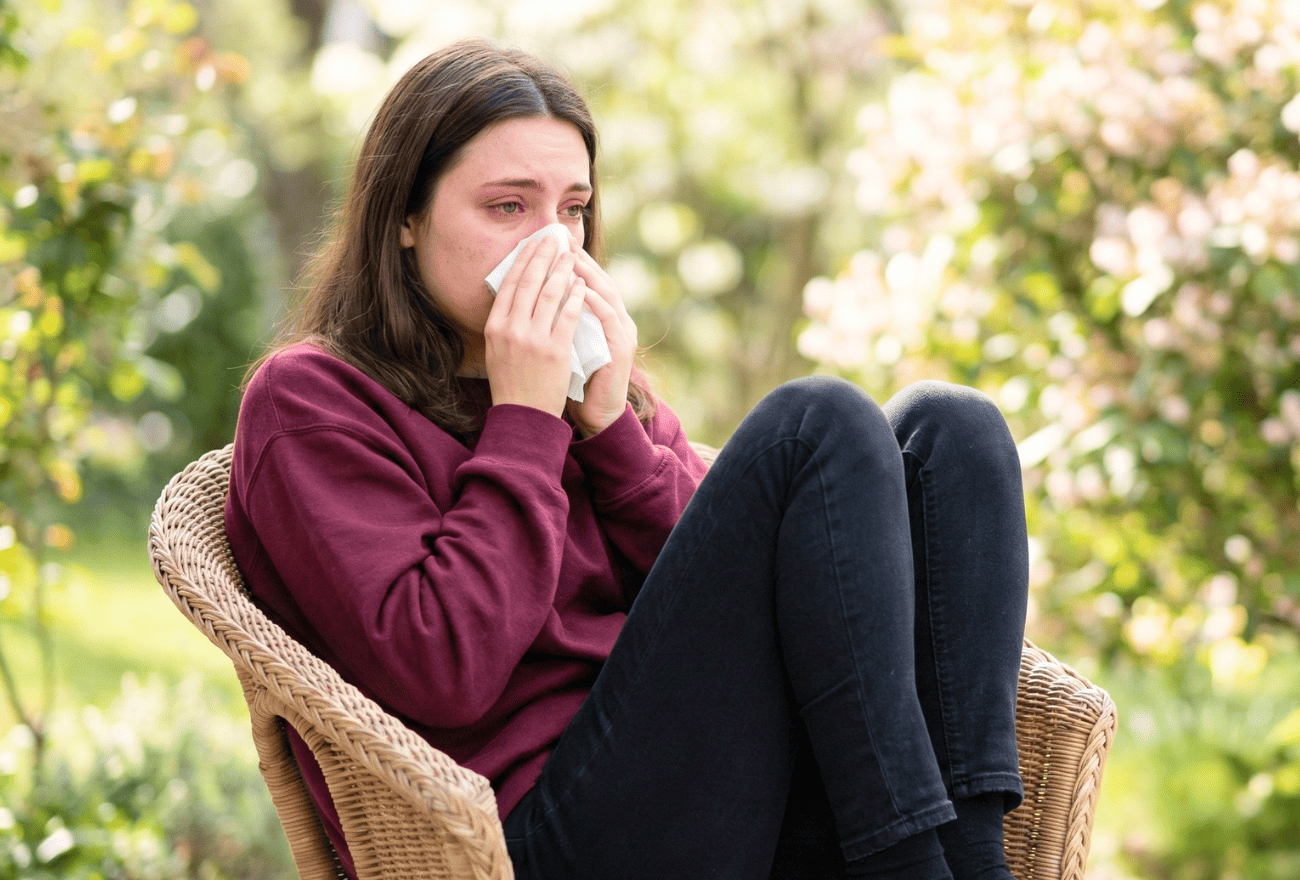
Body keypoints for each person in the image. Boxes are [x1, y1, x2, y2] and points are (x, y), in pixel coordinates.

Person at [224, 37, 1030, 880]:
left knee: (951, 430)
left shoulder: (592, 389)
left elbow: (743, 599)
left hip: (726, 793)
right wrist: (524, 419)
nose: (554, 247)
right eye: (508, 207)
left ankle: (975, 863)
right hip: (537, 838)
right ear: (405, 217)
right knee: (813, 422)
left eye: (571, 209)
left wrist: (610, 430)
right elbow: (443, 671)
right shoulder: (311, 401)